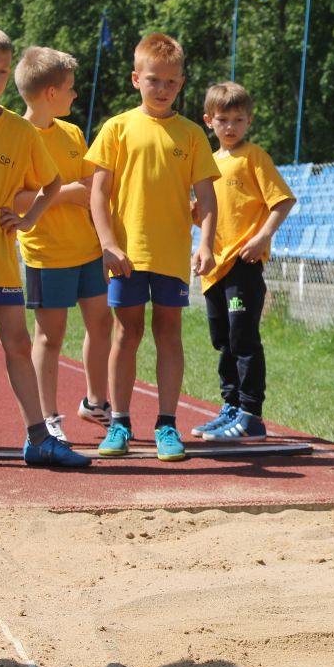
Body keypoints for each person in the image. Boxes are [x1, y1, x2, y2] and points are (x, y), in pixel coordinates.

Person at [86, 33, 221, 461]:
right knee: (126, 334)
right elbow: (97, 193)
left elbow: (209, 199)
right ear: (135, 79)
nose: (161, 89)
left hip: (171, 255)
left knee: (169, 333)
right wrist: (107, 243)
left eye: (170, 82)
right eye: (153, 80)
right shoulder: (117, 128)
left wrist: (206, 244)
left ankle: (166, 424)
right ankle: (120, 422)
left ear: (181, 84)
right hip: (127, 253)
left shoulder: (193, 134)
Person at [0, 27, 90, 469]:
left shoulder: (20, 130)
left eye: (1, 69)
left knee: (17, 342)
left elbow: (52, 181)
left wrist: (30, 218)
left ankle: (39, 438)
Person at [12, 46, 114, 444]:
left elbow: (91, 188)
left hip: (86, 249)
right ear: (50, 92)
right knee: (50, 337)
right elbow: (14, 200)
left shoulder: (71, 132)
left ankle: (95, 403)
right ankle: (47, 417)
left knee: (101, 324)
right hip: (46, 253)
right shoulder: (17, 135)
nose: (76, 95)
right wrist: (68, 193)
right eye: (70, 89)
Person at [191, 82, 296, 442]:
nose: (231, 126)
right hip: (214, 267)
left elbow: (282, 201)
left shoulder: (254, 156)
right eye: (223, 119)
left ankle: (251, 414)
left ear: (249, 121)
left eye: (239, 119)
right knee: (222, 339)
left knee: (243, 337)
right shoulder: (208, 162)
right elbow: (208, 212)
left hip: (242, 263)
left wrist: (262, 236)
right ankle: (231, 406)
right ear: (209, 121)